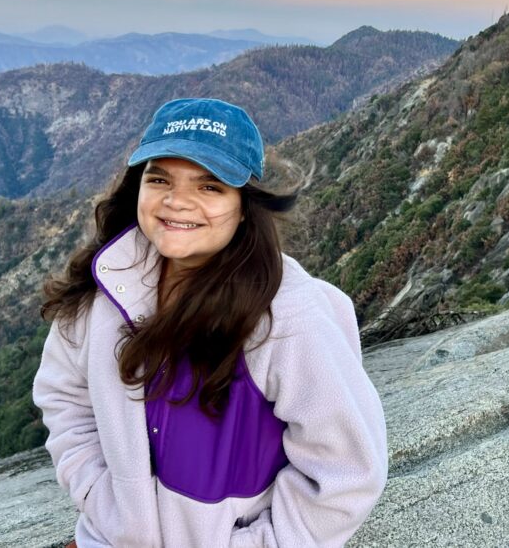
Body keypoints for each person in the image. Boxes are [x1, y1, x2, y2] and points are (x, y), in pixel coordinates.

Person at [33, 98, 388, 547]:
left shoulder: (286, 318)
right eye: (159, 178)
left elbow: (348, 473)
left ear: (244, 206)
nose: (176, 201)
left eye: (209, 186)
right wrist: (103, 499)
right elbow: (63, 397)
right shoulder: (108, 287)